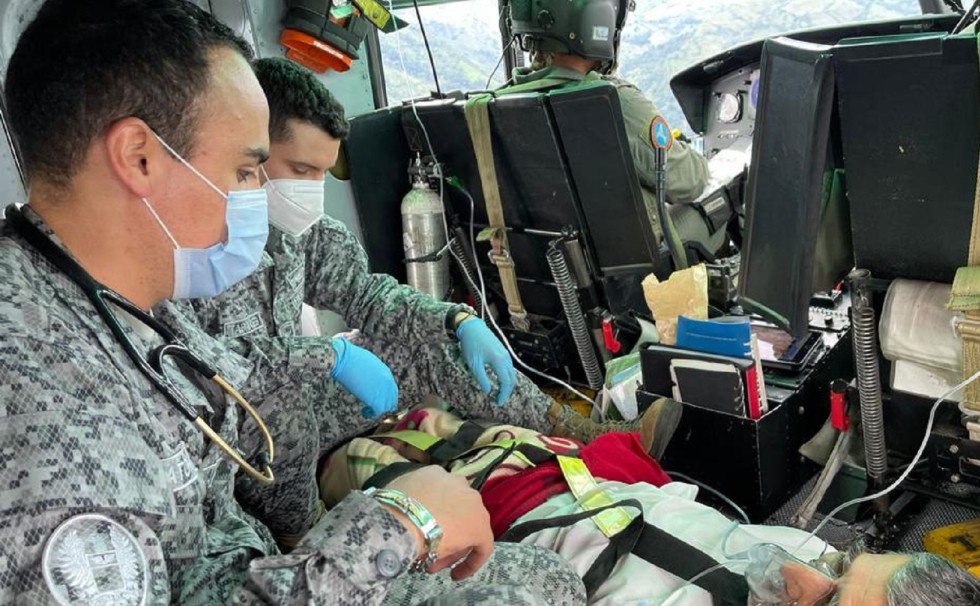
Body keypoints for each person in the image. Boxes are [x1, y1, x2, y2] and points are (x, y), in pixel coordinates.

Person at [0, 1, 586, 604]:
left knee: (545, 578)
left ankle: (567, 425)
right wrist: (393, 526)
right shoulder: (40, 395)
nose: (261, 194)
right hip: (261, 557)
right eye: (248, 169)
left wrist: (454, 320)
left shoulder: (125, 297)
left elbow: (334, 315)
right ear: (139, 158)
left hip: (240, 555)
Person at [160, 55, 682, 466]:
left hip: (301, 400)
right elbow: (201, 369)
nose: (312, 190)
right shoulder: (190, 245)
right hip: (241, 432)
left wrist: (454, 320)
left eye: (323, 172)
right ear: (251, 151)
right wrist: (330, 359)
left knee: (431, 340)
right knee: (288, 408)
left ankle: (579, 430)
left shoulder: (307, 235)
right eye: (300, 168)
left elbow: (368, 296)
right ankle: (299, 529)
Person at [320, 405, 980, 606]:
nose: (801, 572)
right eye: (843, 561)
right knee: (420, 415)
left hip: (482, 521)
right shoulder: (809, 559)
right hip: (554, 465)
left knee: (337, 461)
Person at [502, 0, 723, 255]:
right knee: (722, 197)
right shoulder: (613, 102)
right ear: (597, 20)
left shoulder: (489, 108)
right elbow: (690, 181)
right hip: (626, 274)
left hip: (541, 270)